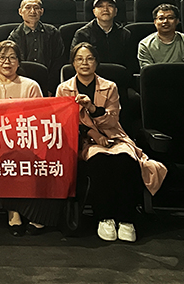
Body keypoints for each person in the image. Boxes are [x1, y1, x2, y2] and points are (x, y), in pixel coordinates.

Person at [57, 42, 167, 242]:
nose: (84, 63)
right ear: (73, 63)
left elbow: (112, 120)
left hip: (113, 135)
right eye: (79, 59)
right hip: (83, 140)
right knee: (100, 161)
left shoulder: (110, 86)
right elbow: (64, 123)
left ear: (96, 62)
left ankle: (126, 219)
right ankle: (104, 217)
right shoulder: (64, 89)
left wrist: (92, 108)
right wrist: (93, 134)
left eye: (89, 59)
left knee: (126, 160)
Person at [0, 40, 60, 236]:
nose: (7, 62)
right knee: (4, 159)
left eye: (12, 58)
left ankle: (34, 214)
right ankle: (13, 212)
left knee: (29, 160)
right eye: (2, 58)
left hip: (26, 141)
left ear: (19, 62)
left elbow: (41, 119)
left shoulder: (31, 86)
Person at [8, 0, 66, 95]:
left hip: (48, 84)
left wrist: (50, 88)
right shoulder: (14, 36)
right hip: (22, 85)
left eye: (36, 8)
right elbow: (12, 63)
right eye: (28, 7)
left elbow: (59, 61)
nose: (32, 11)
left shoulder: (52, 33)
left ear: (41, 11)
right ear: (20, 12)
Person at [71, 0, 130, 66]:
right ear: (94, 12)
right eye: (100, 6)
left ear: (115, 11)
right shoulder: (82, 34)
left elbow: (130, 63)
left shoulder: (125, 34)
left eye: (110, 6)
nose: (105, 9)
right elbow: (76, 62)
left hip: (119, 72)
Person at [138, 3, 184, 68]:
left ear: (177, 21)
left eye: (170, 18)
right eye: (161, 18)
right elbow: (147, 71)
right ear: (155, 22)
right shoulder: (145, 44)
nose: (165, 21)